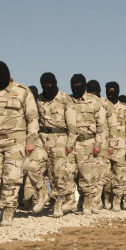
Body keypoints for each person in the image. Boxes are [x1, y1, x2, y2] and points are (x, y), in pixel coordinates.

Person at [0, 61, 39, 226]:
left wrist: (31, 141)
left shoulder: (22, 91)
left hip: (16, 141)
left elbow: (32, 118)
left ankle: (8, 209)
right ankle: (6, 199)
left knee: (11, 177)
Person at [35, 72, 78, 217]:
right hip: (42, 138)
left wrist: (70, 143)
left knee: (58, 172)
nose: (47, 88)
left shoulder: (65, 99)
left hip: (60, 138)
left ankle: (59, 201)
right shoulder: (39, 100)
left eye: (49, 85)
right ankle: (42, 193)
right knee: (32, 166)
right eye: (44, 85)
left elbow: (72, 124)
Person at [68, 74, 107, 215]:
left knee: (87, 175)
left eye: (79, 84)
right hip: (71, 143)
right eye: (74, 84)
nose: (76, 87)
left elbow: (101, 125)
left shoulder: (95, 101)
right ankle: (72, 201)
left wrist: (98, 144)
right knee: (70, 173)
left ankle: (88, 203)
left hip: (88, 142)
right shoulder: (68, 100)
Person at [86, 80, 117, 210]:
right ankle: (88, 200)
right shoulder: (85, 102)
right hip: (87, 143)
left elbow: (113, 125)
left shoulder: (106, 104)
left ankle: (95, 201)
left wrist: (112, 145)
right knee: (88, 174)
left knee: (100, 174)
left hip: (103, 145)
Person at [20, 84, 51, 213]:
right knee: (28, 169)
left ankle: (48, 198)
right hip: (27, 143)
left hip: (44, 142)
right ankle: (31, 199)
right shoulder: (23, 109)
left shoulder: (41, 106)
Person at [106, 81, 126, 211]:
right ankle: (106, 198)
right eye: (108, 90)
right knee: (105, 174)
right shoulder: (103, 106)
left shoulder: (124, 109)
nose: (111, 93)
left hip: (121, 147)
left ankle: (117, 199)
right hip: (105, 146)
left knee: (119, 174)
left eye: (113, 90)